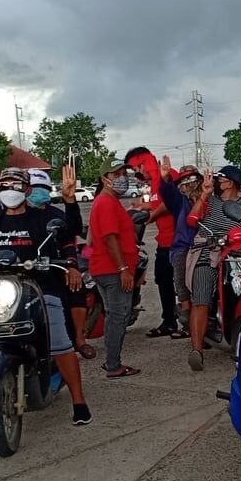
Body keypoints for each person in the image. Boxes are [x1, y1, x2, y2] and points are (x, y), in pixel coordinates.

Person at [0, 168, 91, 434]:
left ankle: (79, 402)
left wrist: (69, 200)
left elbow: (70, 232)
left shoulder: (44, 218)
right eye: (5, 185)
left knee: (60, 342)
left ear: (27, 189)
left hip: (39, 287)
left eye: (17, 184)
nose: (10, 189)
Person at [185, 165, 241, 371]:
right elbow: (192, 219)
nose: (217, 182)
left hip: (237, 254)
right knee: (201, 298)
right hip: (208, 251)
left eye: (221, 179)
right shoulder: (210, 200)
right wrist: (204, 193)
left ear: (231, 183)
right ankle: (197, 350)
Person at [27, 167, 96, 360]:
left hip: (53, 268)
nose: (38, 192)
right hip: (21, 272)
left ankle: (79, 338)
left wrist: (71, 266)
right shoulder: (11, 215)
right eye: (34, 188)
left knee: (76, 287)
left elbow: (69, 237)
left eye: (43, 188)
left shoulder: (55, 214)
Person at [90, 156, 142, 379]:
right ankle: (113, 364)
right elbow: (110, 237)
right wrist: (123, 269)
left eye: (124, 174)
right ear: (105, 179)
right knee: (118, 316)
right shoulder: (106, 202)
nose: (122, 178)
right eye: (116, 174)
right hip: (112, 270)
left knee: (114, 315)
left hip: (106, 268)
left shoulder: (108, 201)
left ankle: (112, 361)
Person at [125, 147, 179, 338]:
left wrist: (150, 216)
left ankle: (182, 321)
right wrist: (142, 206)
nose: (137, 175)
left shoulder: (169, 175)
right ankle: (170, 321)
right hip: (165, 240)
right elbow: (157, 203)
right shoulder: (154, 183)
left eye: (135, 170)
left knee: (179, 282)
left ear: (142, 163)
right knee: (163, 279)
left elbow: (170, 203)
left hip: (178, 240)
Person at [156, 157, 203, 340]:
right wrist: (164, 177)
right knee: (182, 282)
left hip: (208, 245)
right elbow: (167, 192)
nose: (188, 183)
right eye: (184, 180)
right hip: (184, 246)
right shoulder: (179, 201)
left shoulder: (209, 198)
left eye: (192, 178)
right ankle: (186, 318)